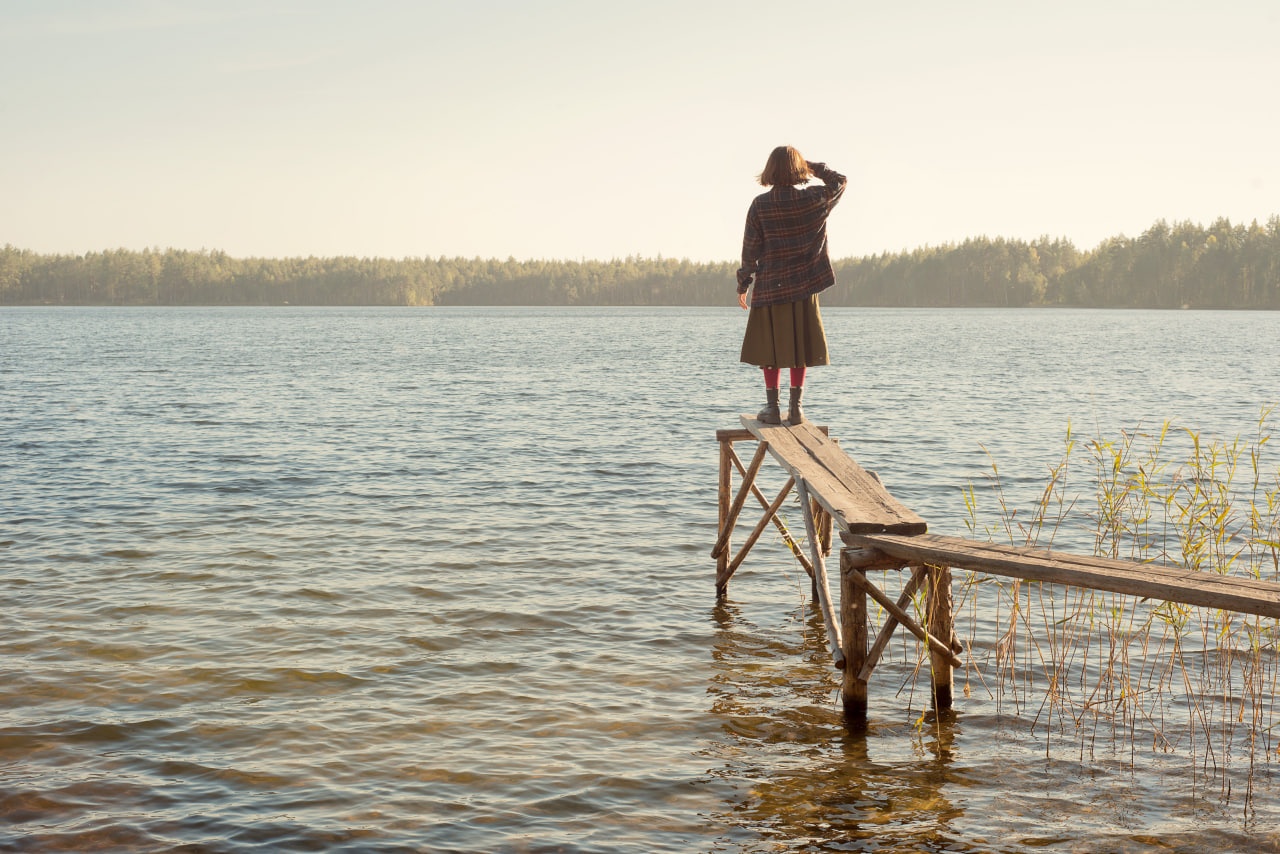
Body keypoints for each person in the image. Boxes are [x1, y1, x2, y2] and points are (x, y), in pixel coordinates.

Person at [736, 146, 846, 425]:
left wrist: (743, 283)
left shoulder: (760, 205)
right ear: (799, 171)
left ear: (770, 170)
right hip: (804, 284)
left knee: (769, 350)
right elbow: (840, 181)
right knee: (800, 348)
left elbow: (751, 249)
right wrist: (811, 166)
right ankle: (796, 410)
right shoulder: (813, 199)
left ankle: (772, 409)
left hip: (771, 286)